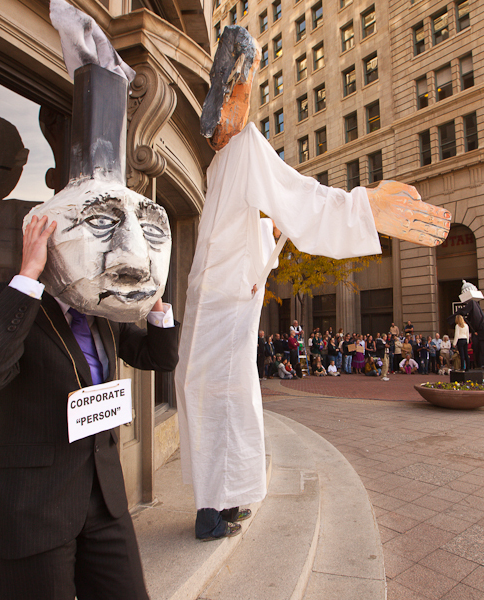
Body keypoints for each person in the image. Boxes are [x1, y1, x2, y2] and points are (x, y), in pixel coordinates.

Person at [177, 24, 450, 544]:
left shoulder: (227, 163)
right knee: (219, 405)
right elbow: (301, 200)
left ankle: (225, 501)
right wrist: (364, 206)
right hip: (218, 318)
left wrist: (277, 233)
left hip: (222, 319)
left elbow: (267, 227)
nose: (241, 96)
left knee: (229, 407)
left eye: (245, 84)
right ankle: (212, 510)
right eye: (239, 82)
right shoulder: (239, 153)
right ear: (227, 90)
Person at [0, 215, 179, 600]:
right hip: (35, 508)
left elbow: (158, 357)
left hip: (103, 501)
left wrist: (154, 297)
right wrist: (28, 274)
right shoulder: (1, 299)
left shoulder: (103, 310)